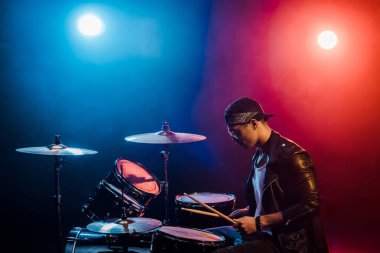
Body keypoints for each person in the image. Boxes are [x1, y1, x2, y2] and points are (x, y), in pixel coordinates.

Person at [205, 97, 328, 253]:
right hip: (261, 232)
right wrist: (249, 210)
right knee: (203, 238)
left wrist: (258, 222)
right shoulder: (260, 154)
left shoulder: (293, 156)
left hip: (282, 241)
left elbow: (311, 204)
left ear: (254, 123)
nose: (233, 139)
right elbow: (274, 197)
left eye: (236, 132)